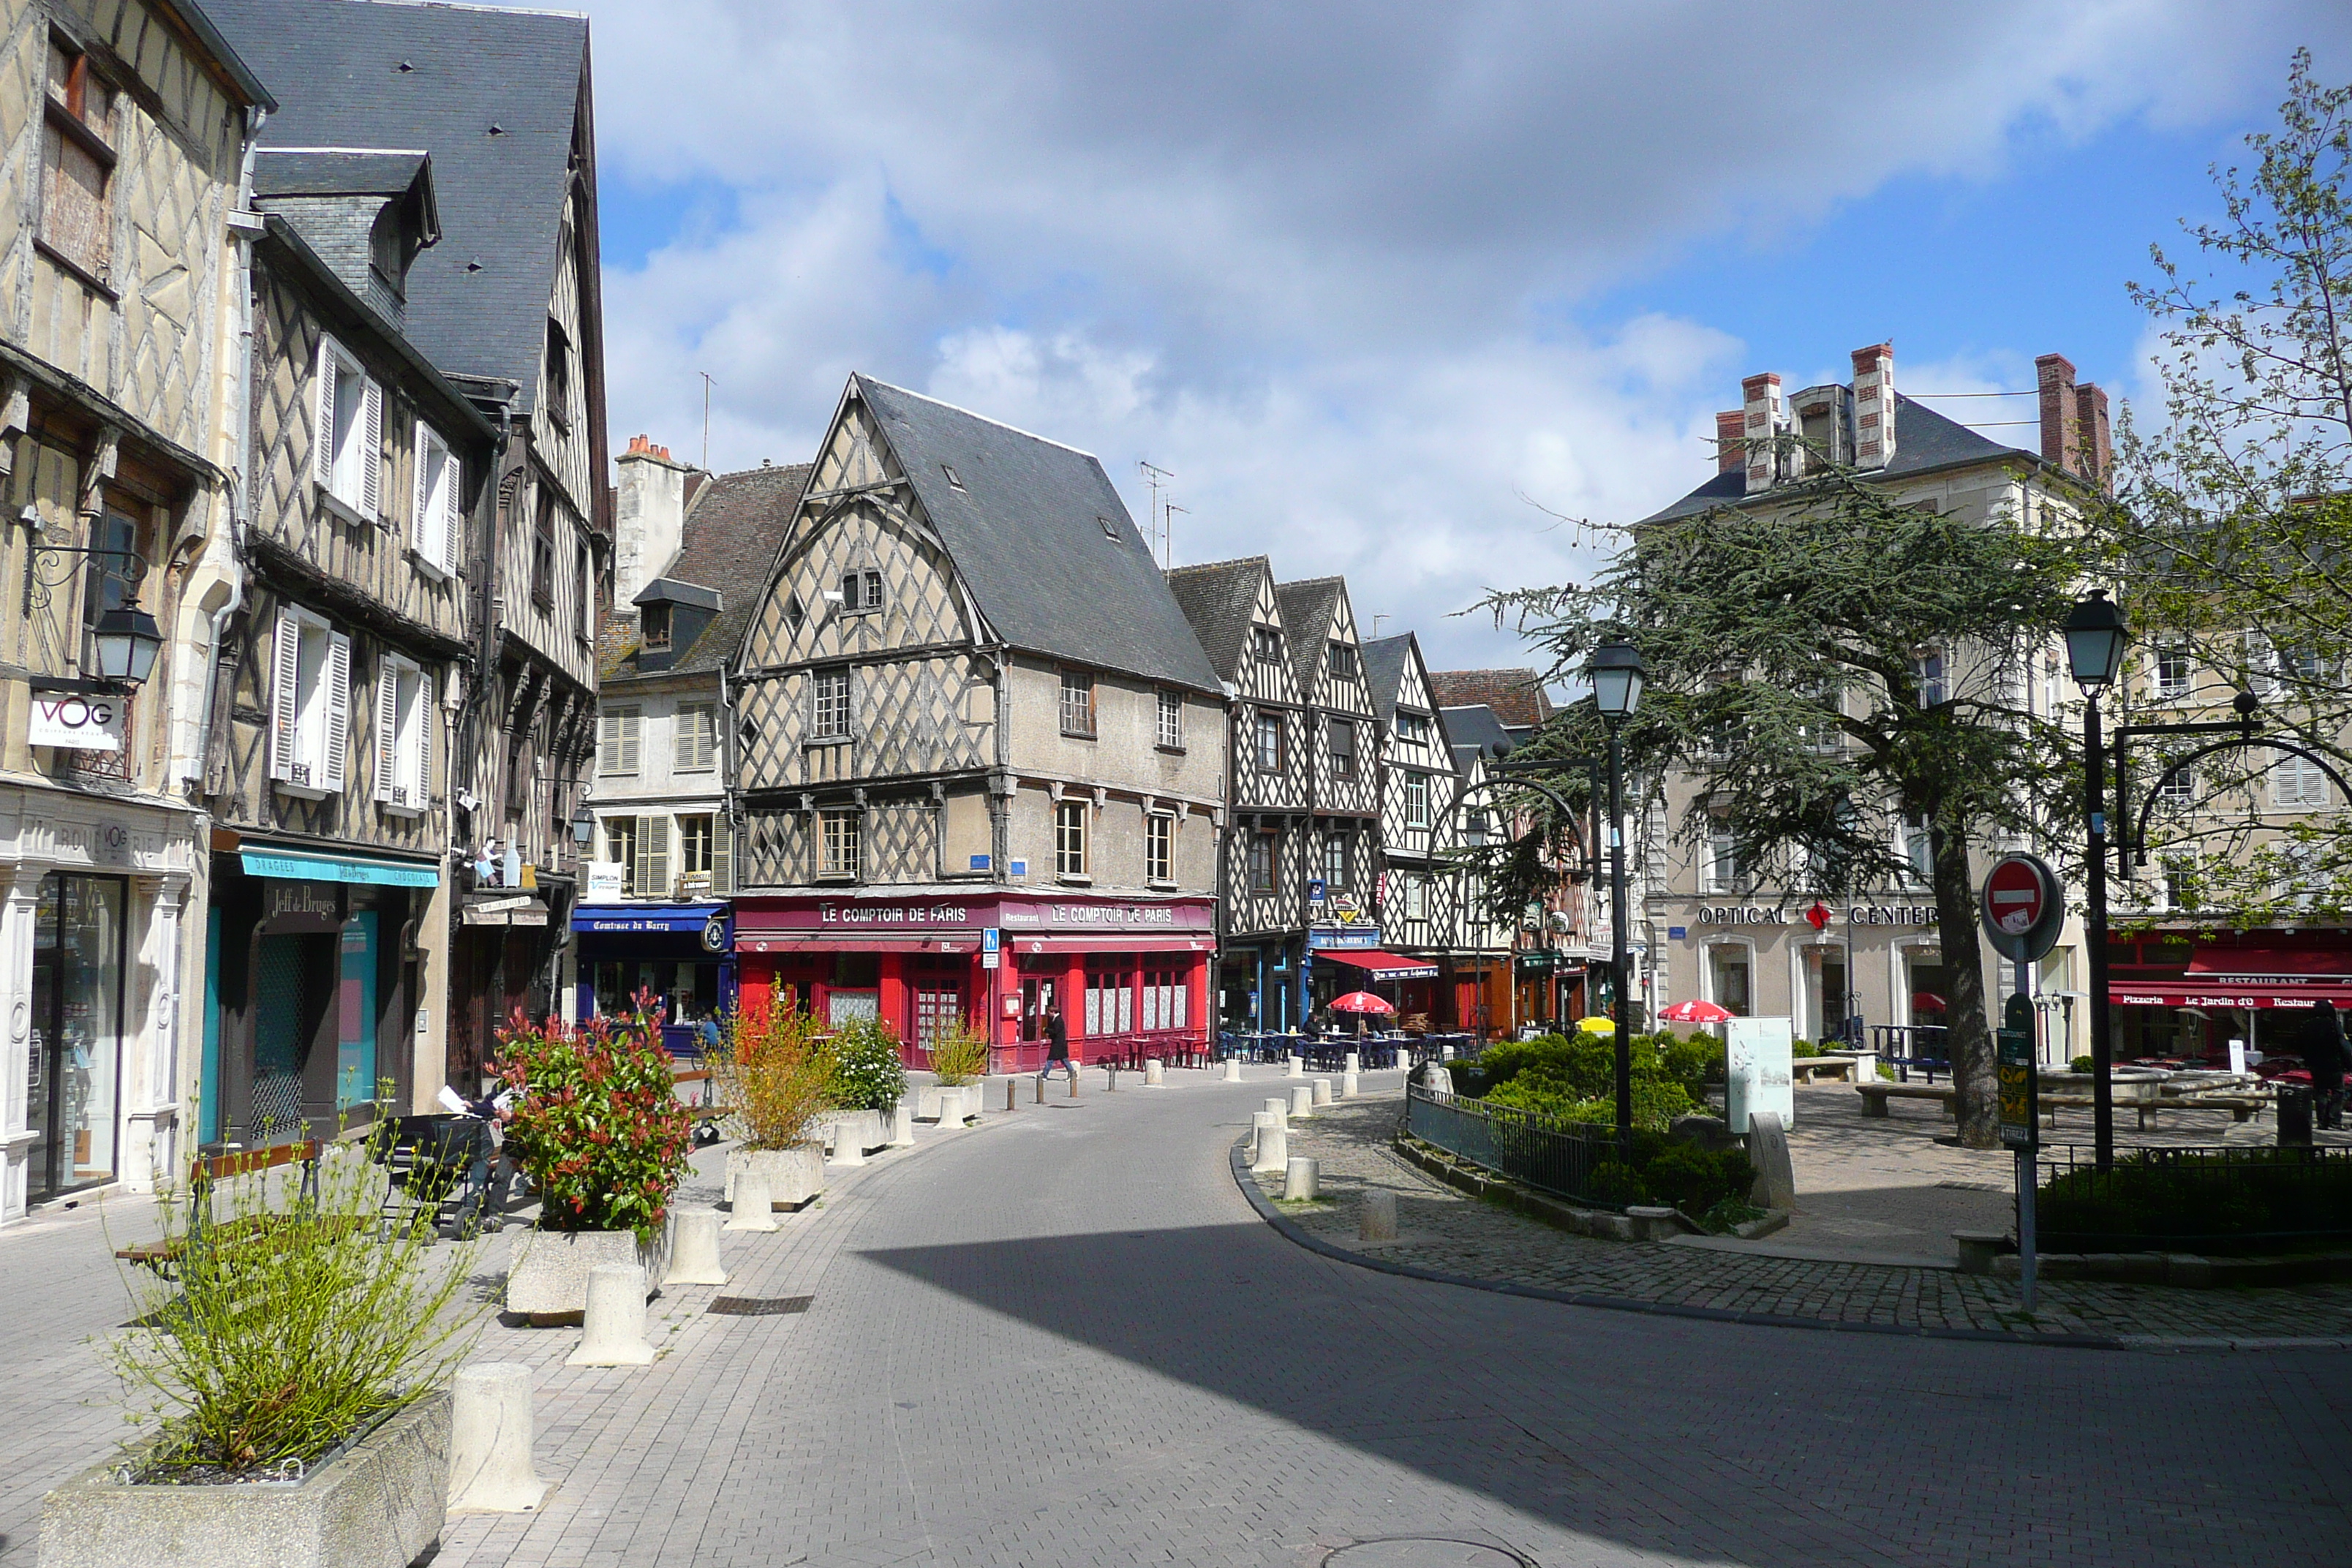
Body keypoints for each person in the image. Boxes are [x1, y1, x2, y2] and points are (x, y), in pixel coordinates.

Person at [2304, 1000, 2347, 1131]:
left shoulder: (2308, 1025)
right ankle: (2334, 1121)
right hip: (2334, 1064)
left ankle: (2322, 1121)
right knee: (2338, 1092)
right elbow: (2344, 1045)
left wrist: (2308, 1061)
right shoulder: (2334, 1025)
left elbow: (2301, 1044)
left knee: (2320, 1092)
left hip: (2316, 1065)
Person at [1036, 1001, 1075, 1088]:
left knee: (1051, 1059)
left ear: (1053, 1012)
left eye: (1049, 1012)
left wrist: (1046, 1030)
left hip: (1059, 1044)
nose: (1048, 1014)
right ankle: (1072, 1074)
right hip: (1059, 1043)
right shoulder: (1056, 1020)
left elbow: (1056, 1031)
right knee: (1063, 1060)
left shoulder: (1058, 1020)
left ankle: (1045, 1075)